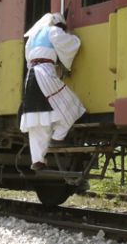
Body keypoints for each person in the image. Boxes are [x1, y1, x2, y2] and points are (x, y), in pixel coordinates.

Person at [19, 12, 86, 171]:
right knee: (72, 105)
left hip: (30, 76)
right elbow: (70, 44)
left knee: (36, 119)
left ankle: (38, 160)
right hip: (45, 73)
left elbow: (29, 57)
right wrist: (75, 38)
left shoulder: (33, 37)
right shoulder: (53, 31)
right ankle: (57, 137)